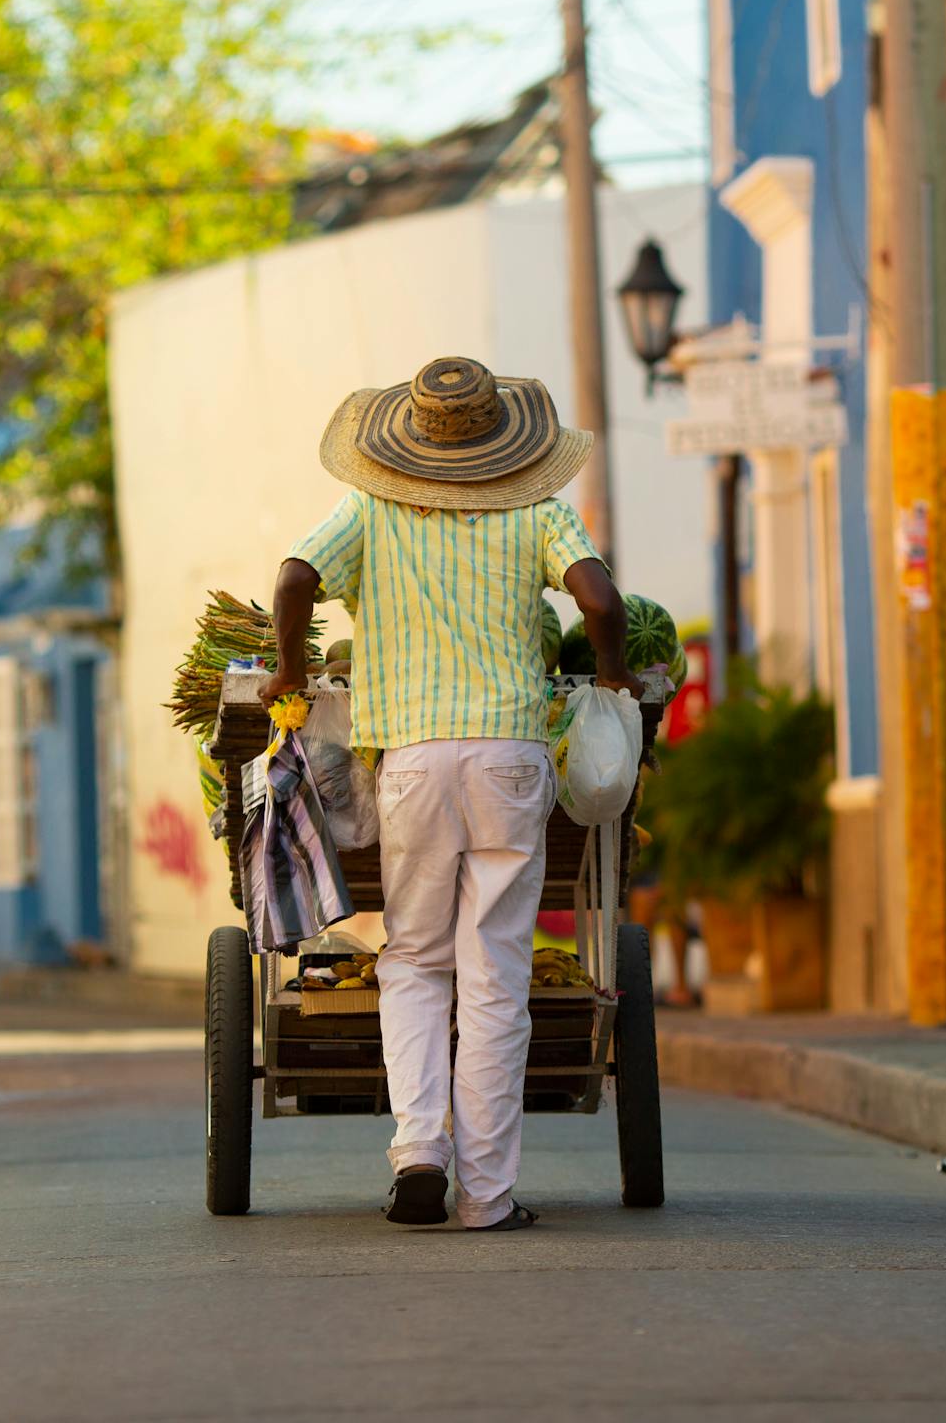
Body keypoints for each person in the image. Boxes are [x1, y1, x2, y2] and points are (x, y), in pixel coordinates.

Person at [261, 355, 639, 1232]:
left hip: (415, 764)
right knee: (496, 975)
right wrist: (613, 683)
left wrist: (289, 669)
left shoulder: (369, 509)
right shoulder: (538, 509)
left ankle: (418, 1152)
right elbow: (602, 602)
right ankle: (487, 1198)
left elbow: (292, 580)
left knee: (417, 961)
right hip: (510, 758)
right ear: (506, 444)